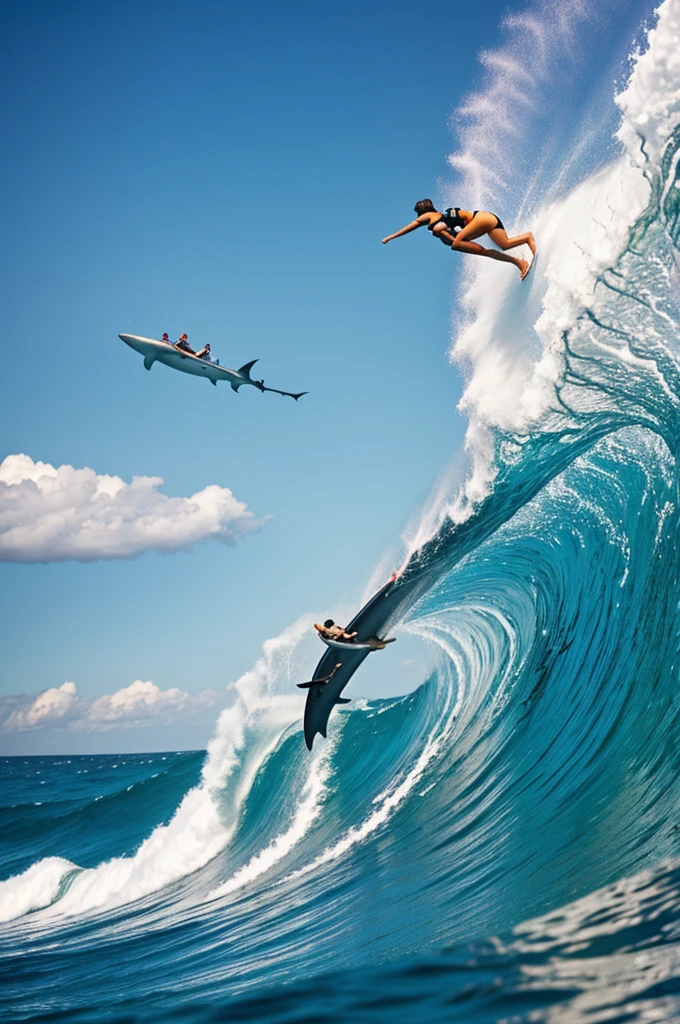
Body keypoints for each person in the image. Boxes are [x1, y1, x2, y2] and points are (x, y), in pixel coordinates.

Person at [382, 199, 536, 280]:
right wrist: (442, 232)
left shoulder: (430, 217)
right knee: (503, 245)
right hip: (487, 219)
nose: (420, 219)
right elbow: (452, 235)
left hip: (480, 219)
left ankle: (519, 262)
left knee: (456, 245)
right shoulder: (443, 221)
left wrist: (392, 236)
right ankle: (525, 245)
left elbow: (413, 225)